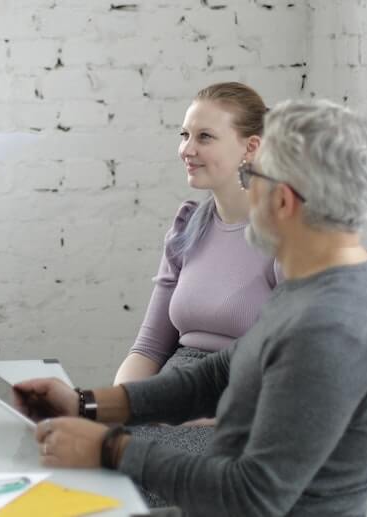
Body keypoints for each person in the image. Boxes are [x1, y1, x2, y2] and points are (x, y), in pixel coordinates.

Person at [14, 99, 367, 517]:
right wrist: (87, 404)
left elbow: (251, 497)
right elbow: (216, 375)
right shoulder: (319, 279)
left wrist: (110, 448)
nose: (245, 188)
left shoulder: (332, 329)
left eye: (250, 176)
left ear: (282, 202)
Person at [114, 82, 278, 469]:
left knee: (134, 481)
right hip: (171, 397)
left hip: (240, 415)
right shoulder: (188, 225)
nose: (187, 149)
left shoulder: (286, 238)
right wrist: (120, 405)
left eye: (205, 137)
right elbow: (149, 348)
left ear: (251, 148)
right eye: (185, 135)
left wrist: (175, 414)